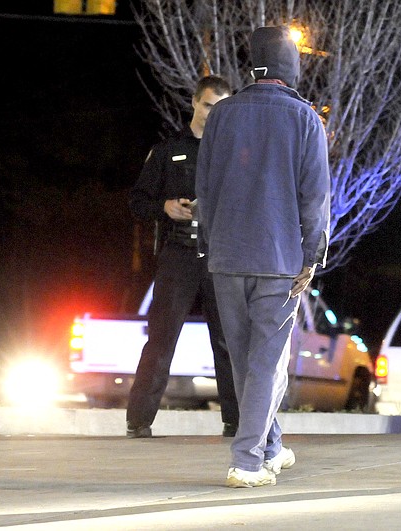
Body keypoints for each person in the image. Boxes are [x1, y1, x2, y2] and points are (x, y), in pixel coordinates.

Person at [195, 26, 330, 488]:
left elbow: (205, 190)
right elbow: (314, 199)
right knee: (266, 362)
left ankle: (269, 445)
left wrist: (213, 243)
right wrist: (312, 256)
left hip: (227, 255)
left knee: (243, 360)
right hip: (279, 259)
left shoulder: (222, 115)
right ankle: (248, 460)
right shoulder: (305, 119)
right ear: (292, 68)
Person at [126, 75, 239, 439]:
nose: (212, 114)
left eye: (221, 108)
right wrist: (166, 206)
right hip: (179, 252)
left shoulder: (235, 154)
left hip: (220, 255)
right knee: (162, 337)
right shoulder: (168, 150)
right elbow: (137, 201)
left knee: (227, 341)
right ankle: (138, 421)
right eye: (208, 105)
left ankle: (235, 422)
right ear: (194, 102)